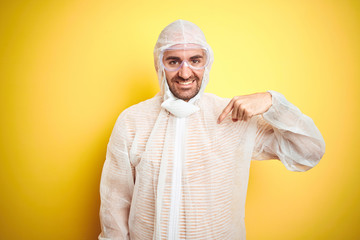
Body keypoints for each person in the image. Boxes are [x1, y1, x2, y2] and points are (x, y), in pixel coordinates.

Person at [98, 19, 325, 240]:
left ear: (207, 63)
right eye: (174, 61)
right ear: (159, 64)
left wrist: (273, 103)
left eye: (195, 60)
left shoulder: (233, 116)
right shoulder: (132, 121)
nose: (185, 73)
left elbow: (309, 152)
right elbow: (115, 206)